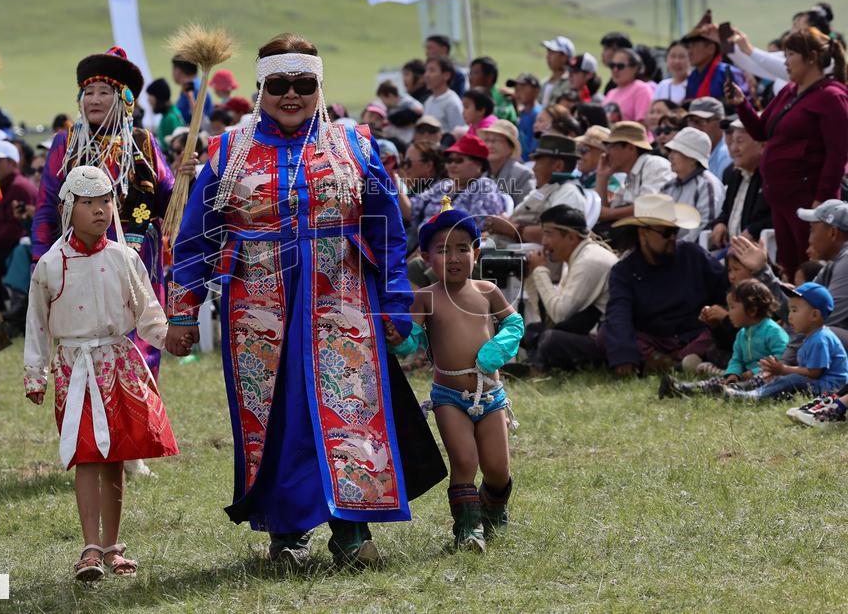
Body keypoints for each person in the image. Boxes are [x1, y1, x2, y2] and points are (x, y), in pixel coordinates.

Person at [166, 33, 445, 568]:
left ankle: (351, 527)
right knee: (276, 420)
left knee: (350, 411)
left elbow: (386, 232)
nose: (290, 95)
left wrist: (393, 303)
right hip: (258, 311)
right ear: (259, 88)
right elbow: (196, 238)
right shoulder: (229, 152)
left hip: (341, 304)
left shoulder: (355, 146)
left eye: (303, 84)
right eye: (278, 85)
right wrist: (183, 311)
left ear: (319, 86)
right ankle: (286, 531)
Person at [24, 165, 178, 581]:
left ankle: (112, 546)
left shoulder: (125, 258)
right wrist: (35, 373)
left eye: (105, 201)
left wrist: (171, 338)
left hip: (119, 365)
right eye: (88, 203)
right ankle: (90, 547)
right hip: (76, 369)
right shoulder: (51, 264)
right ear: (68, 208)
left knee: (115, 457)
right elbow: (36, 323)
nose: (99, 211)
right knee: (87, 455)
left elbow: (148, 314)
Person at [33, 47, 174, 389]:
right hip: (76, 257)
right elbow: (48, 201)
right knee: (85, 336)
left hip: (135, 257)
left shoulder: (142, 143)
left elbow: (169, 197)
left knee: (138, 335)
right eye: (88, 92)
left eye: (104, 92)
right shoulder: (65, 143)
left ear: (124, 98)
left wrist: (186, 177)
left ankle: (139, 407)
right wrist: (40, 256)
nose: (93, 99)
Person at [389, 202, 522, 552]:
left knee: (497, 470)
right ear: (425, 257)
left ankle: (493, 512)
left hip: (491, 394)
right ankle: (467, 528)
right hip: (449, 396)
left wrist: (499, 347)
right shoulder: (425, 298)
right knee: (464, 461)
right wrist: (400, 339)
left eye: (463, 248)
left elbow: (514, 323)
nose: (454, 257)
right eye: (443, 250)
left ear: (476, 252)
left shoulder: (487, 292)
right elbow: (413, 340)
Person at [728, 26, 848, 277]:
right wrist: (742, 104)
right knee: (790, 268)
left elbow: (837, 154)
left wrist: (822, 201)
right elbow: (761, 131)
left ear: (811, 57)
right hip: (781, 199)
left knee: (811, 268)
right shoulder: (789, 91)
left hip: (807, 201)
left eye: (790, 54)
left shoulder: (831, 97)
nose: (785, 62)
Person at [603, 194, 728, 377]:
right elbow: (619, 313)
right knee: (607, 332)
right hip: (654, 339)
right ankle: (668, 362)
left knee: (717, 332)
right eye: (666, 232)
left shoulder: (693, 255)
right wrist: (624, 355)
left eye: (675, 232)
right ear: (643, 233)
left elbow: (724, 288)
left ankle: (669, 363)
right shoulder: (624, 271)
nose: (672, 238)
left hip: (695, 333)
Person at [522, 206, 617, 371]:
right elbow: (548, 317)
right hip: (586, 330)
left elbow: (559, 315)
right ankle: (535, 364)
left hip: (606, 339)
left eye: (548, 234)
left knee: (550, 339)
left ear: (572, 237)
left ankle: (537, 366)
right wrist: (531, 277)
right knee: (531, 330)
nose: (544, 242)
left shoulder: (589, 260)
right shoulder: (576, 257)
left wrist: (540, 271)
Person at [660, 279, 789, 397]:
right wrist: (733, 374)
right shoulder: (742, 334)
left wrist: (754, 372)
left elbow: (783, 357)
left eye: (732, 307)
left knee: (764, 376)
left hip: (767, 375)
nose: (729, 312)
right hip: (744, 376)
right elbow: (736, 359)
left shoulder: (772, 331)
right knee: (717, 381)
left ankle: (738, 390)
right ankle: (681, 388)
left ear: (752, 310)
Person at [725, 282, 848, 400]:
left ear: (814, 315)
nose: (789, 316)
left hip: (831, 387)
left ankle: (755, 396)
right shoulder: (813, 336)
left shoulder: (821, 339)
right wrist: (783, 372)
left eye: (794, 310)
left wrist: (784, 370)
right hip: (820, 383)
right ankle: (754, 391)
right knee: (786, 378)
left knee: (791, 379)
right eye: (790, 310)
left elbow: (815, 372)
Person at [484, 134, 587, 244]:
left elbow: (558, 235)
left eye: (538, 162)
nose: (534, 168)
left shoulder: (569, 192)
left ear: (558, 166)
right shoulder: (546, 188)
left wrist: (510, 228)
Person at [411, 133, 508, 232]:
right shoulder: (443, 185)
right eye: (449, 160)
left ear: (479, 165)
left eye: (459, 160)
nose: (452, 165)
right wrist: (395, 181)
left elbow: (481, 225)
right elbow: (410, 210)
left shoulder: (484, 186)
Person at [0, 139, 37, 308]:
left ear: (12, 163)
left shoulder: (19, 187)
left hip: (14, 245)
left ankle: (0, 309)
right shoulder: (2, 185)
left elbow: (13, 231)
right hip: (3, 244)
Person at [595, 122, 674, 226]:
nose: (606, 153)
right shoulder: (628, 176)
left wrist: (610, 214)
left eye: (611, 146)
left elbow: (652, 205)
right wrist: (602, 177)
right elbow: (604, 213)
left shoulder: (655, 164)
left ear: (630, 147)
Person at [710, 120, 770, 247]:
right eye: (732, 142)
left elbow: (774, 216)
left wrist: (753, 230)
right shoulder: (734, 174)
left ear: (762, 145)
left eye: (740, 142)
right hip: (732, 250)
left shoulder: (771, 176)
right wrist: (720, 222)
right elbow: (726, 210)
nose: (733, 149)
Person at [661, 127, 724, 242]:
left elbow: (705, 228)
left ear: (692, 159)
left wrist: (674, 248)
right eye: (670, 151)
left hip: (694, 254)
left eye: (676, 152)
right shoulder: (668, 186)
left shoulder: (707, 185)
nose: (670, 156)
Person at [797, 200, 848, 338]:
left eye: (812, 231)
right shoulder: (834, 262)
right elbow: (800, 309)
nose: (809, 240)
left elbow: (825, 318)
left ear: (832, 232)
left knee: (821, 333)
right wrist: (762, 272)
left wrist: (789, 359)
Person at [682, 23, 748, 102]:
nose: (689, 52)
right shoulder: (693, 76)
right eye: (688, 47)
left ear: (711, 48)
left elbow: (743, 103)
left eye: (693, 46)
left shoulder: (727, 73)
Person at [479, 119, 534, 206]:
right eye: (487, 140)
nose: (489, 145)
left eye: (495, 141)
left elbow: (524, 209)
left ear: (511, 148)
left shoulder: (523, 175)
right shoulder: (481, 172)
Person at [683, 98, 731, 180]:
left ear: (720, 121)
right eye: (691, 121)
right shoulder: (690, 153)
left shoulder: (726, 154)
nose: (695, 127)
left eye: (702, 121)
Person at [603, 48, 654, 123]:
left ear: (635, 68)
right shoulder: (611, 92)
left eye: (620, 66)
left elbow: (642, 125)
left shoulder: (641, 89)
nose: (615, 70)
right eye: (612, 65)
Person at [423, 56, 466, 133]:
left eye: (432, 70)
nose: (427, 75)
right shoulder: (428, 101)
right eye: (426, 71)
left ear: (446, 75)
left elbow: (459, 132)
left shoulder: (452, 102)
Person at [469, 56, 516, 122]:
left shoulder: (501, 96)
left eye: (475, 73)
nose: (470, 77)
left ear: (490, 76)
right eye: (470, 73)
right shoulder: (473, 95)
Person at [171, 56, 213, 127]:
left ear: (178, 70)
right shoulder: (192, 85)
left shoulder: (194, 88)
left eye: (173, 69)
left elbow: (199, 119)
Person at [147, 78, 182, 152]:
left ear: (159, 97)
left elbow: (171, 149)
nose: (148, 100)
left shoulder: (170, 118)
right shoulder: (170, 113)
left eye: (151, 96)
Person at [512, 73, 542, 159]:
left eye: (522, 88)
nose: (517, 91)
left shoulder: (538, 114)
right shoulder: (522, 113)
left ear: (536, 90)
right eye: (516, 88)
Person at [540, 36, 574, 107]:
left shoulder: (571, 83)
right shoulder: (544, 83)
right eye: (548, 52)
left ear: (564, 57)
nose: (548, 56)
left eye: (552, 52)